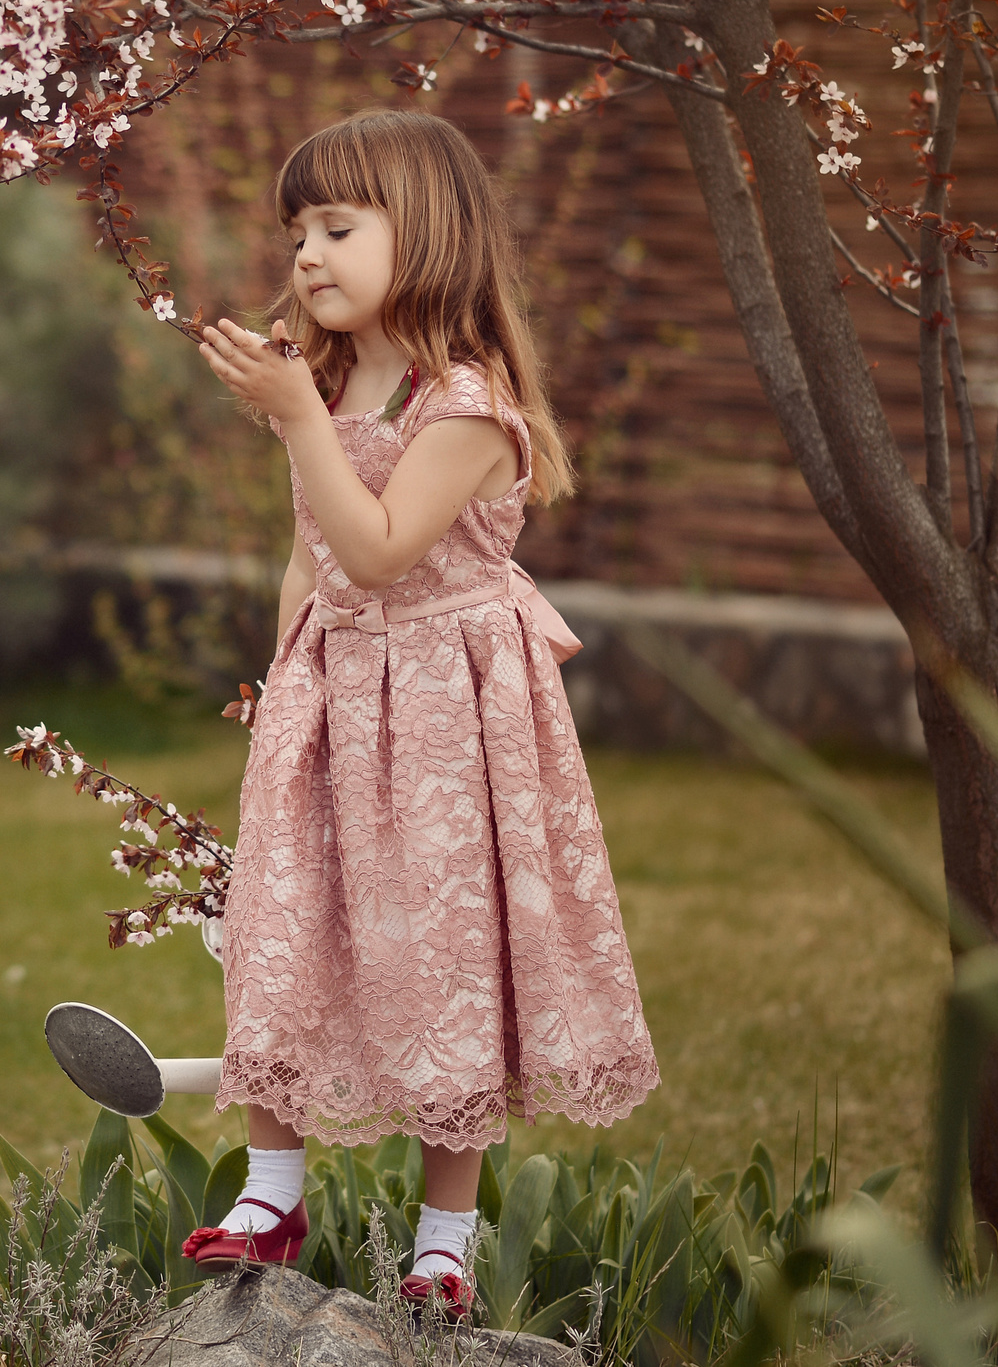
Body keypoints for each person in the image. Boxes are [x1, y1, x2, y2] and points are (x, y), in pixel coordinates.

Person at [182, 109, 660, 1317]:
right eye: (297, 231)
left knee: (450, 957)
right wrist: (284, 675)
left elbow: (382, 549)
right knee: (284, 925)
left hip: (450, 716)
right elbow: (312, 555)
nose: (306, 256)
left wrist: (296, 423)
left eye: (338, 227)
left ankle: (444, 1237)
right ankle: (270, 1191)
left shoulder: (463, 404)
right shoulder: (342, 379)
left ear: (428, 230)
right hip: (336, 690)